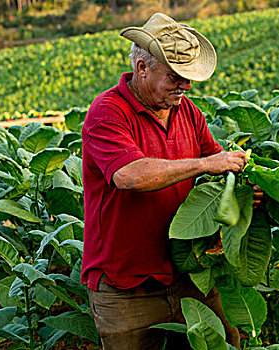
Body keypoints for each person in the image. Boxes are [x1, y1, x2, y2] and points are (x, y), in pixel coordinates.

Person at [80, 13, 260, 349]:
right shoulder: (108, 112)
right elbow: (130, 176)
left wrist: (249, 188)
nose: (186, 86)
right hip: (125, 285)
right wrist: (207, 164)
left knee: (225, 343)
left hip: (187, 271)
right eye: (176, 76)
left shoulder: (188, 111)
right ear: (143, 68)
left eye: (189, 78)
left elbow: (220, 171)